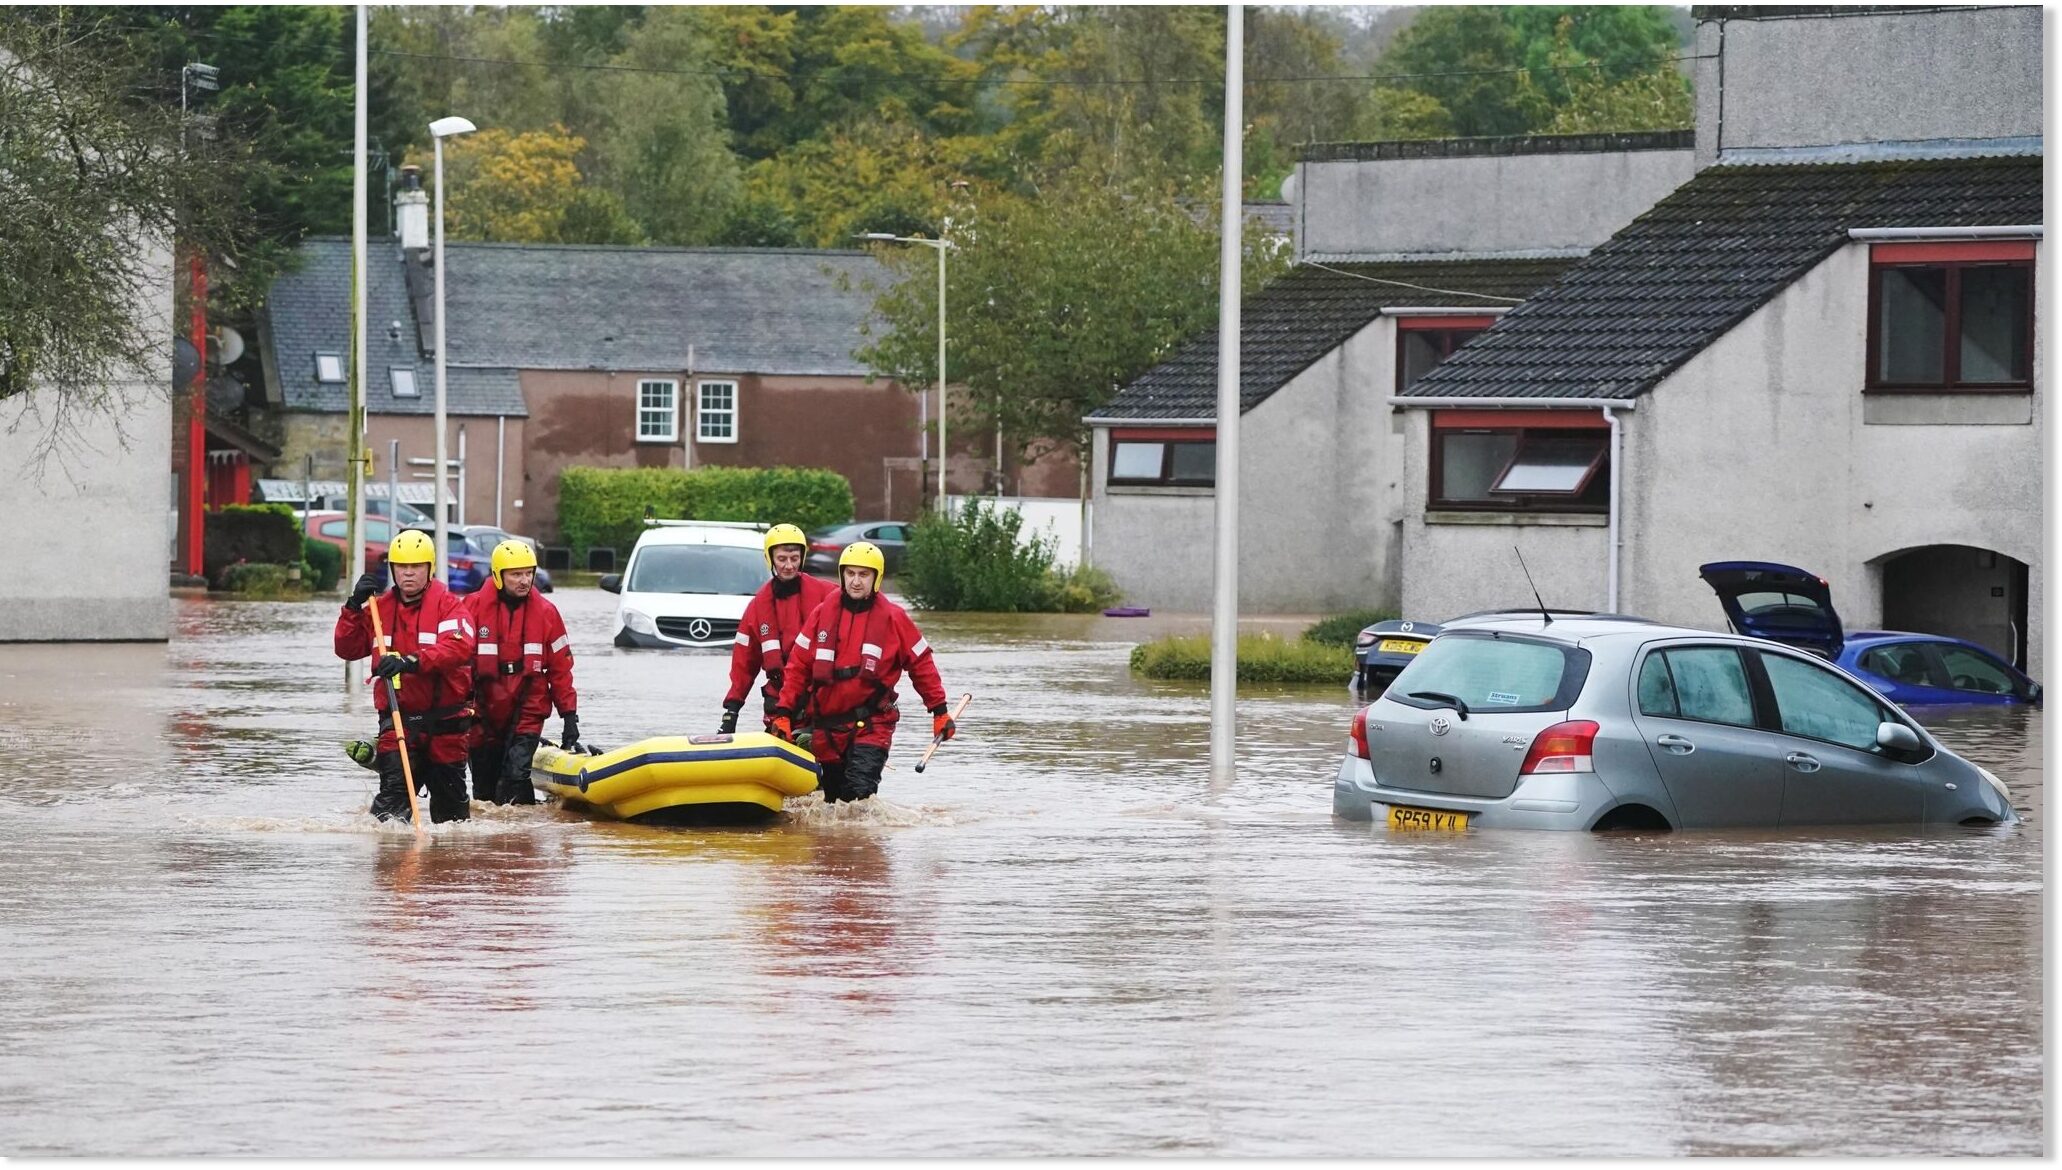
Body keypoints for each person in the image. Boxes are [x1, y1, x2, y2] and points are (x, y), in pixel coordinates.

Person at [772, 541, 955, 804]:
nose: (856, 581)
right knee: (830, 804)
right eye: (850, 574)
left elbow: (922, 666)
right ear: (842, 575)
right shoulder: (822, 614)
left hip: (872, 725)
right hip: (827, 728)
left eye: (863, 574)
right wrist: (784, 713)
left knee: (858, 799)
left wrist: (940, 711)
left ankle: (866, 846)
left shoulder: (895, 618)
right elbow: (798, 667)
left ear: (876, 578)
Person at [334, 530, 478, 822]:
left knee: (452, 817)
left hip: (446, 724)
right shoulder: (379, 609)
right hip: (398, 722)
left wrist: (411, 662)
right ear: (392, 570)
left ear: (429, 568)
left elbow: (459, 647)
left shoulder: (450, 606)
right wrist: (352, 607)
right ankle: (392, 862)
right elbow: (346, 648)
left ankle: (446, 865)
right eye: (402, 567)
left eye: (416, 567)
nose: (408, 573)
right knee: (389, 809)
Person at [464, 539, 579, 806]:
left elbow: (561, 669)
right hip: (482, 710)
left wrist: (569, 715)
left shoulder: (547, 613)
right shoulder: (471, 608)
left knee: (516, 776)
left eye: (529, 573)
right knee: (484, 789)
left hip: (528, 705)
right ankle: (493, 844)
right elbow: (457, 664)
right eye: (516, 574)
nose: (524, 580)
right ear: (497, 575)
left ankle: (523, 840)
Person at [721, 523, 836, 735]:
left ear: (802, 558)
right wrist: (731, 711)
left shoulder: (828, 594)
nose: (789, 566)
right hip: (779, 697)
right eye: (782, 559)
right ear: (770, 559)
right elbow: (743, 663)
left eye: (794, 559)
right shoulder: (757, 607)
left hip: (820, 698)